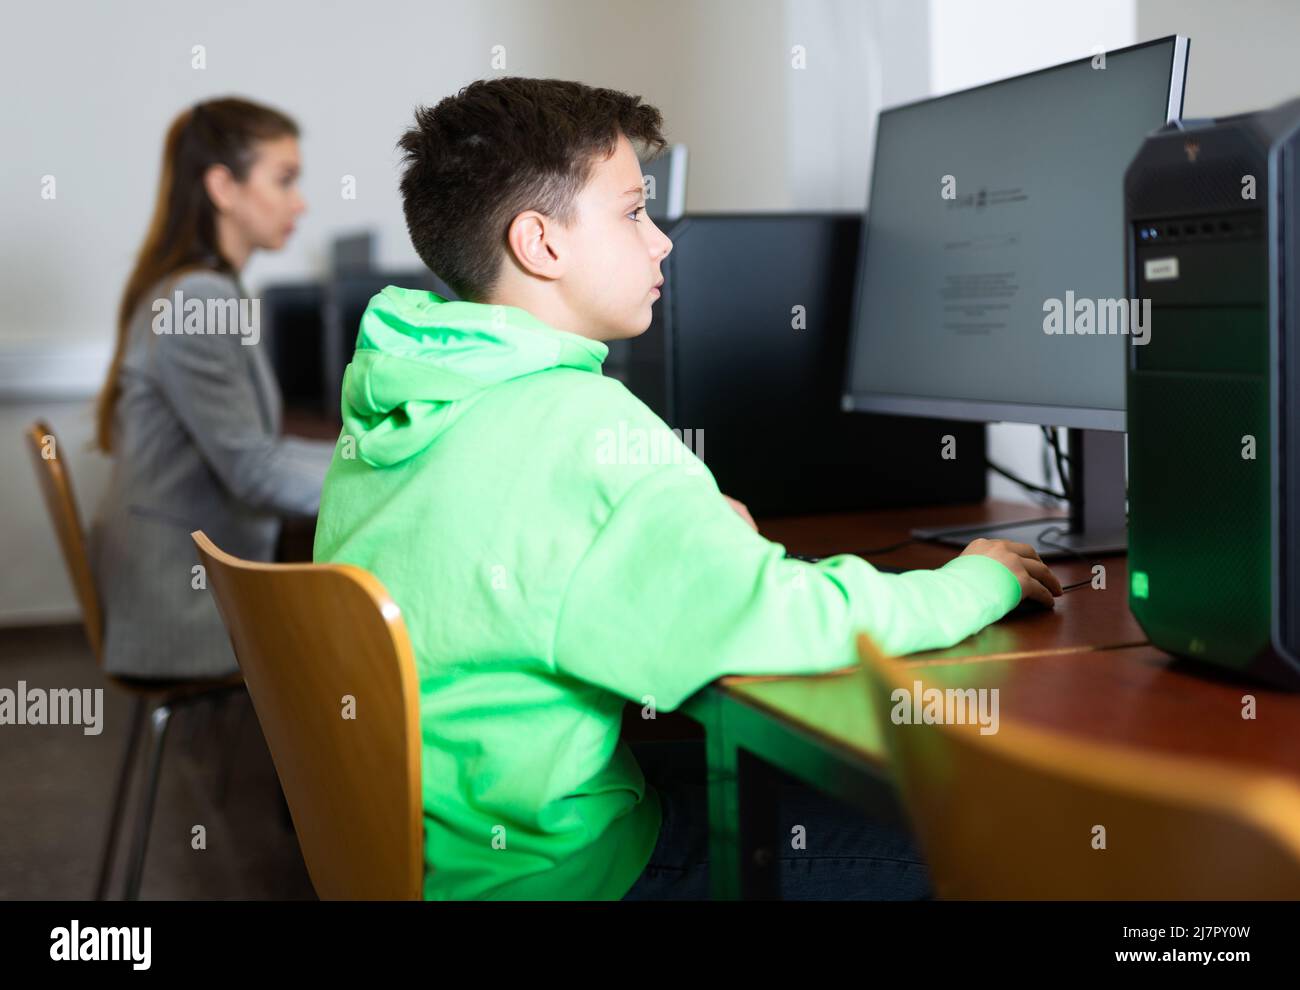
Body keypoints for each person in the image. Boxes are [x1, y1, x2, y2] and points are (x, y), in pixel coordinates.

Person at [313, 77, 1063, 899]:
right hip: (566, 875)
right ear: (541, 243)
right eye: (634, 212)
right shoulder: (582, 428)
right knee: (1014, 849)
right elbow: (782, 618)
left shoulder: (396, 400)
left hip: (441, 860)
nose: (662, 240)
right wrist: (975, 580)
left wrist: (686, 537)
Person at [90, 97, 335, 681]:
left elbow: (259, 449)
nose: (299, 202)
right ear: (223, 187)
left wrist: (364, 459)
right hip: (180, 607)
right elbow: (256, 470)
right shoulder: (199, 299)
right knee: (375, 643)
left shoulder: (198, 288)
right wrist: (395, 480)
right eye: (285, 180)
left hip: (168, 580)